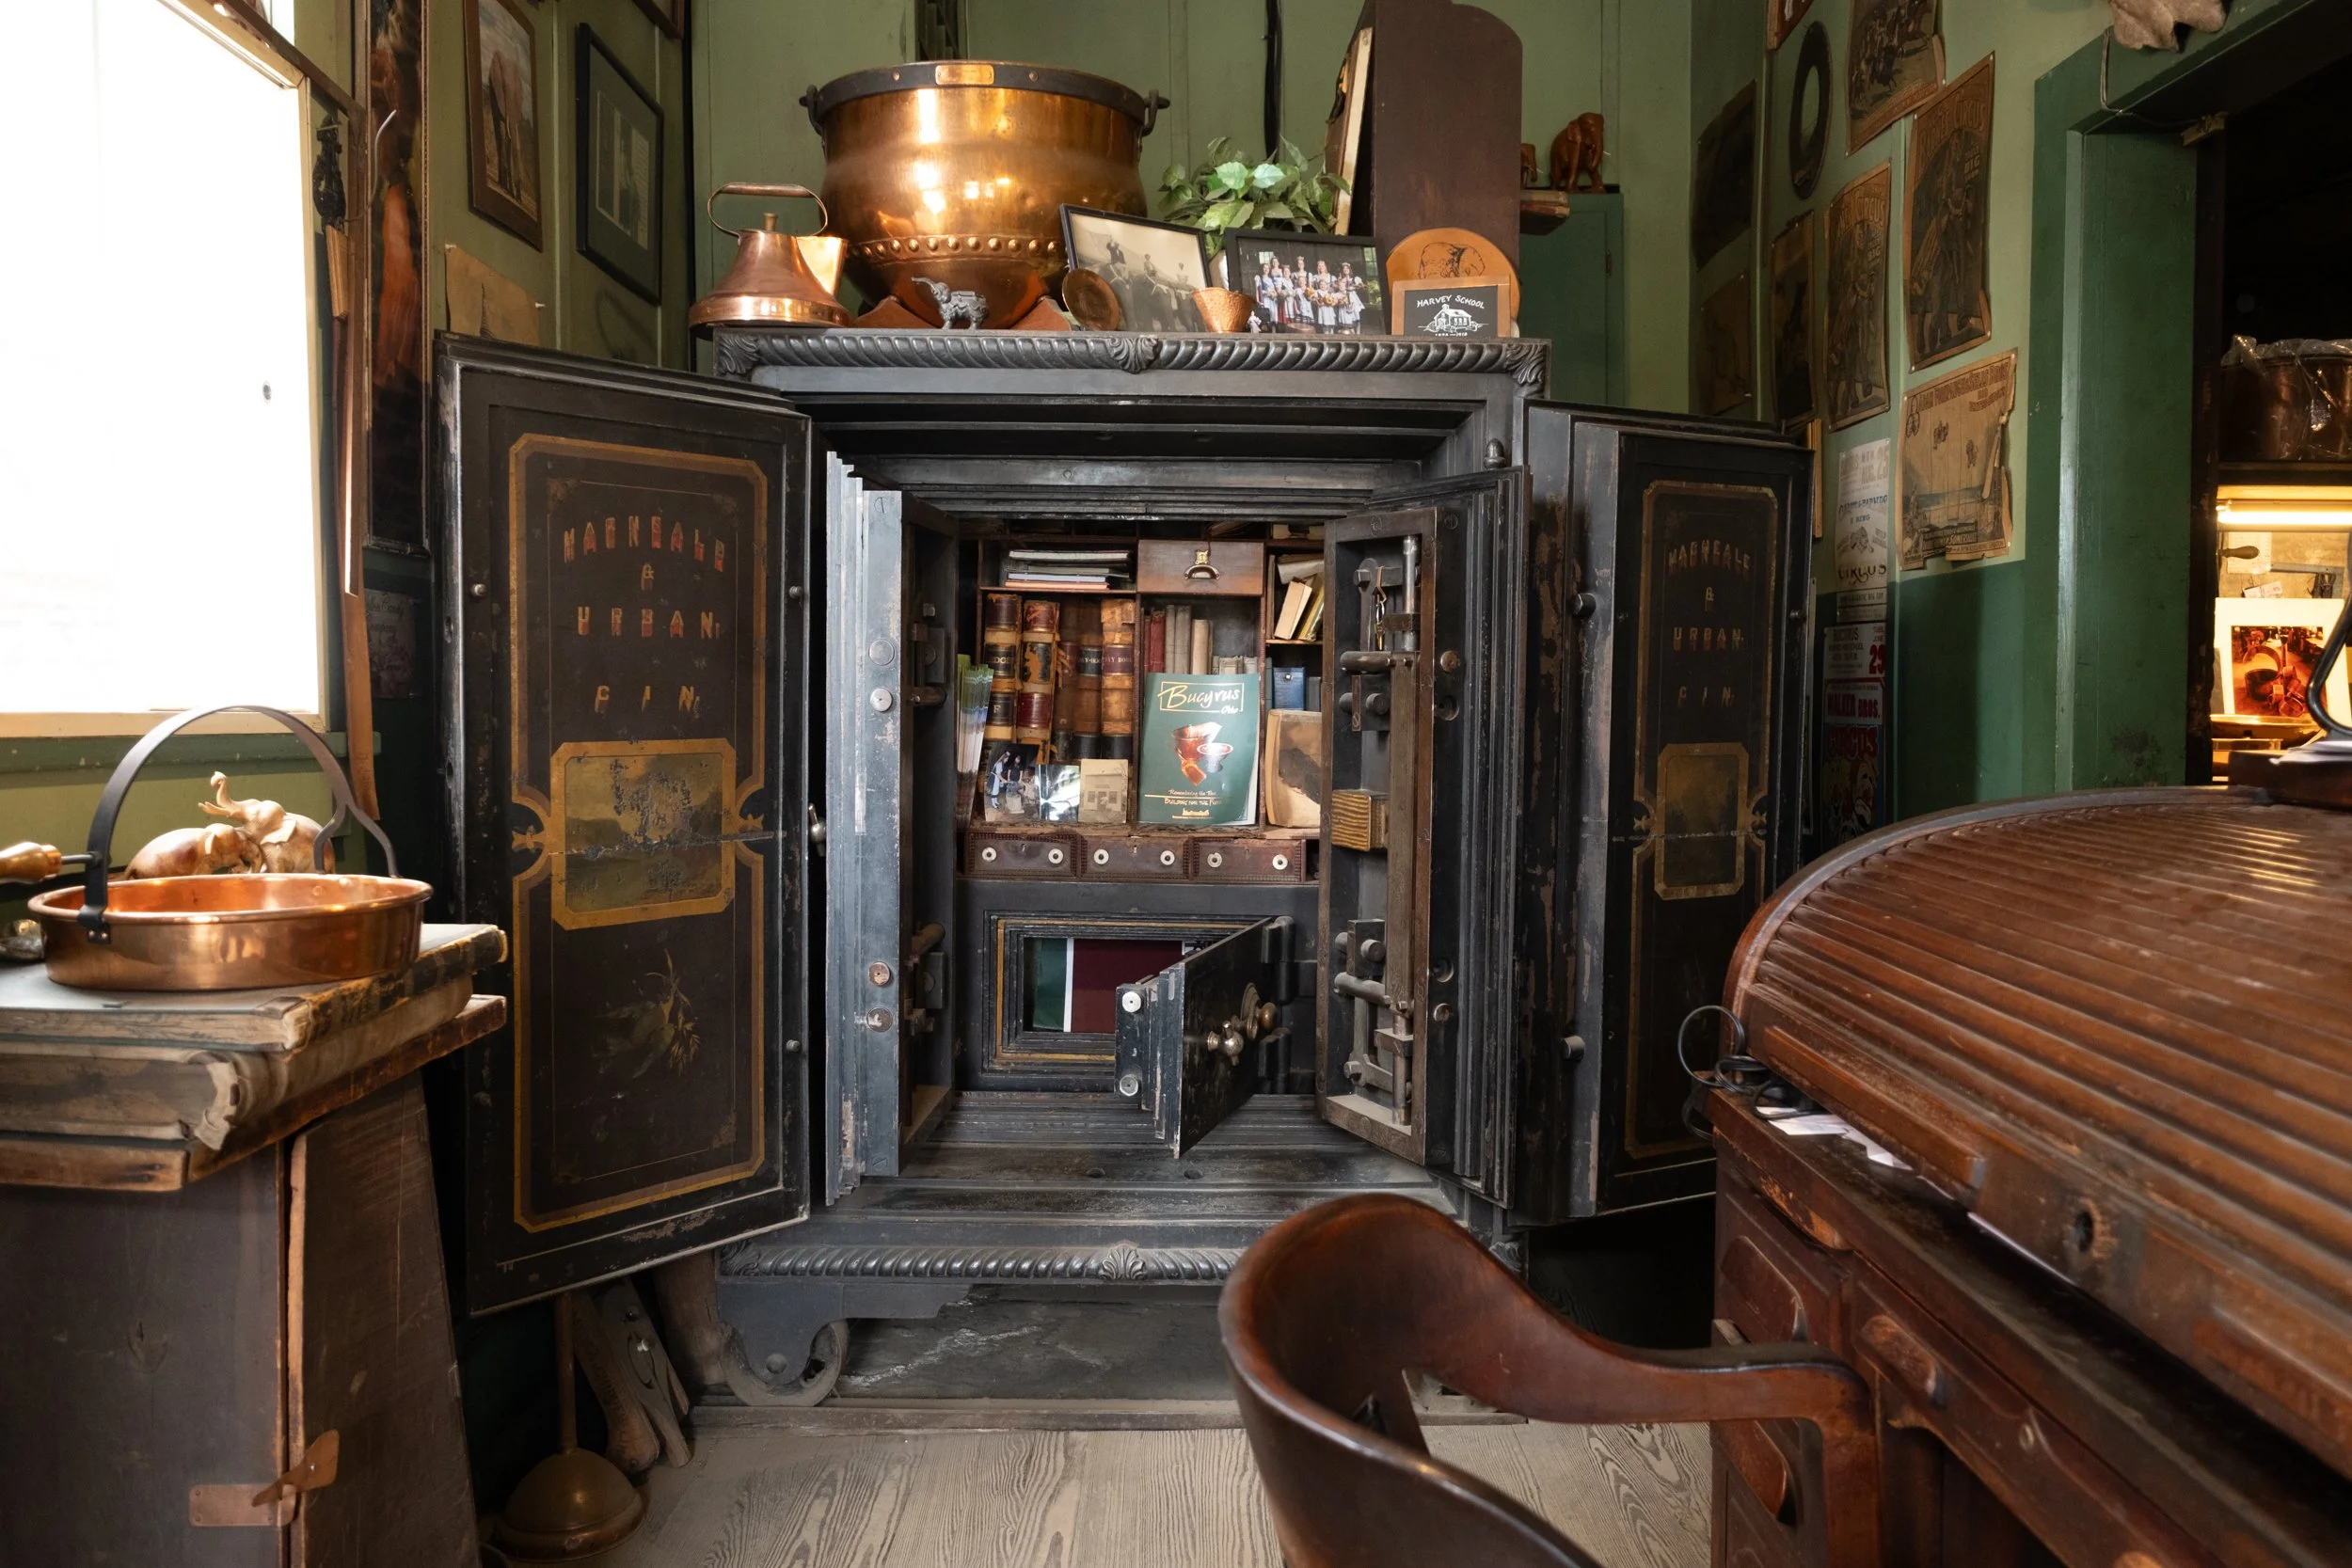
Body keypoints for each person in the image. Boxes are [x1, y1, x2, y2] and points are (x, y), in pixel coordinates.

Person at [1337, 261, 1366, 334]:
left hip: (1353, 297)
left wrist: (1354, 288)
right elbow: (1338, 287)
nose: (1345, 270)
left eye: (1347, 268)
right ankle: (1351, 332)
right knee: (1348, 314)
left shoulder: (1355, 278)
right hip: (1344, 297)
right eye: (1344, 269)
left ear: (1349, 269)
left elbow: (1363, 286)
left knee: (1356, 315)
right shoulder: (1340, 279)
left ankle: (1358, 333)